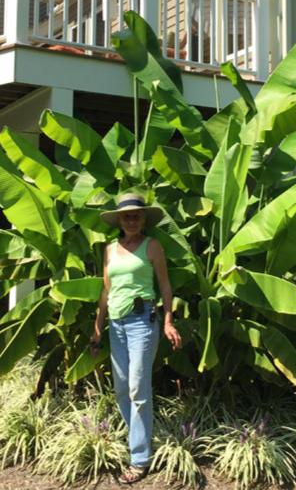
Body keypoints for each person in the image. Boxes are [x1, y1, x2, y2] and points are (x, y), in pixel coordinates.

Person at [90, 193, 182, 485]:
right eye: (126, 216)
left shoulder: (152, 246)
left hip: (143, 323)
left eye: (136, 215)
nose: (131, 219)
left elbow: (165, 285)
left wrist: (168, 320)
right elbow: (106, 292)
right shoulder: (109, 250)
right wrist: (96, 329)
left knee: (137, 390)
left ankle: (139, 459)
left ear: (144, 219)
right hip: (115, 325)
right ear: (119, 220)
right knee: (121, 390)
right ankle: (138, 440)